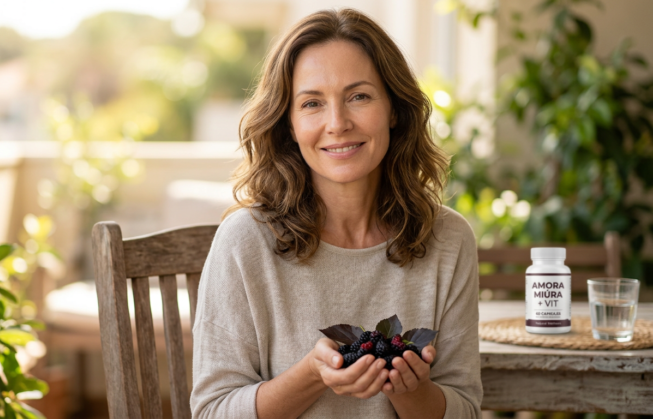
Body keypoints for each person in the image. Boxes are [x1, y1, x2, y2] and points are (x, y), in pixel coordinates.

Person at [190, 8, 482, 419]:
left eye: (358, 96)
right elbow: (212, 412)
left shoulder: (448, 239)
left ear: (394, 108)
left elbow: (466, 409)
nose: (337, 123)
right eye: (312, 103)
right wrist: (313, 375)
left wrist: (411, 391)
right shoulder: (244, 241)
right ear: (289, 125)